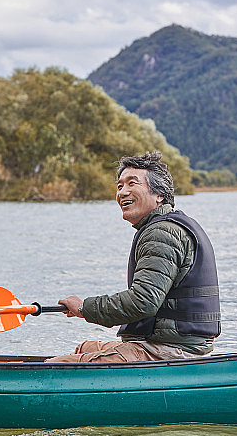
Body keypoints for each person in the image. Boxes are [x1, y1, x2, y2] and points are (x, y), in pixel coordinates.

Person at [46, 151, 221, 363]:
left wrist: (84, 308)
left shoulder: (162, 233)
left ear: (159, 196)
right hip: (166, 344)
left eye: (132, 183)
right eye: (120, 186)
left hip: (168, 351)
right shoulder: (166, 226)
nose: (123, 192)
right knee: (84, 348)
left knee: (53, 367)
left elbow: (143, 301)